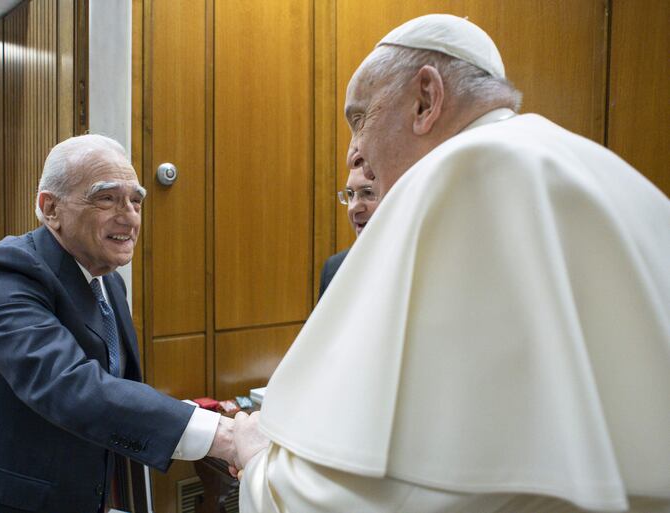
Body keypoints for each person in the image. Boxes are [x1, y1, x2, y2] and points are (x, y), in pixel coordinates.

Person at [233, 14, 670, 512]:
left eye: (360, 118)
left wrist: (259, 468)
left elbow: (402, 496)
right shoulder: (604, 169)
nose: (355, 150)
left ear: (426, 99)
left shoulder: (464, 175)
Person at [0, 135, 236, 513]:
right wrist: (222, 435)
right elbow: (68, 385)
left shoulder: (108, 281)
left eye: (135, 201)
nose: (128, 216)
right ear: (51, 209)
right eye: (107, 198)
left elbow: (114, 389)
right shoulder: (2, 271)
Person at [318, 167, 380, 298]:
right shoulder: (334, 268)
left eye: (368, 193)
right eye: (350, 194)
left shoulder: (421, 263)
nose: (353, 208)